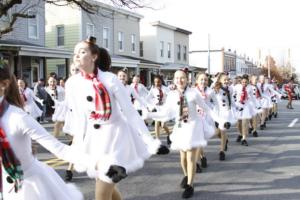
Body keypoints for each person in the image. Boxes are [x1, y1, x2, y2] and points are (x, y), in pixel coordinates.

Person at [65, 37, 165, 200]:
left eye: (82, 52)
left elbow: (130, 113)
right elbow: (79, 118)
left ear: (94, 56)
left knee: (102, 194)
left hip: (116, 138)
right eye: (75, 53)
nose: (76, 56)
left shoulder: (110, 80)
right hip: (94, 140)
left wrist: (150, 141)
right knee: (108, 188)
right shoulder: (72, 83)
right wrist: (78, 145)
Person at [0, 62, 111, 200]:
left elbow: (60, 149)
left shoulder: (18, 118)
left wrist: (98, 163)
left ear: (4, 84)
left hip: (30, 188)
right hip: (5, 185)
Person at [144, 70, 228, 199]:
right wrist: (149, 114)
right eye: (177, 78)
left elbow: (207, 109)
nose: (179, 80)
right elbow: (165, 114)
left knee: (190, 158)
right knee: (182, 158)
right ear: (174, 80)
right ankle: (186, 175)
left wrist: (220, 120)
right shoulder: (171, 95)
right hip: (180, 128)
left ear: (187, 79)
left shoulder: (193, 94)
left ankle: (190, 185)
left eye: (182, 77)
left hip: (193, 127)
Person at [194, 73, 217, 172]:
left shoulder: (210, 91)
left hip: (206, 118)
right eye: (201, 79)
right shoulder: (193, 91)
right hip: (195, 117)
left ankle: (195, 163)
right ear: (197, 81)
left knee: (200, 139)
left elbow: (216, 104)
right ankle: (203, 157)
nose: (203, 81)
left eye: (205, 80)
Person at [212, 72, 237, 160]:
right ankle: (225, 140)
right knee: (217, 133)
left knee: (223, 132)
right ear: (220, 80)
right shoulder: (216, 88)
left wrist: (237, 108)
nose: (226, 81)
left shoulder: (230, 89)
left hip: (226, 113)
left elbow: (232, 101)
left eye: (227, 79)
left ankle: (221, 151)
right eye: (224, 80)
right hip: (217, 113)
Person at [146, 75, 171, 145]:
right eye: (155, 82)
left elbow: (171, 97)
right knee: (157, 123)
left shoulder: (165, 89)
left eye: (158, 82)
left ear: (161, 81)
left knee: (163, 125)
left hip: (164, 108)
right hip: (157, 108)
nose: (157, 83)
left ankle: (169, 134)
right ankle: (157, 140)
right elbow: (147, 99)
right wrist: (151, 106)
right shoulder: (153, 89)